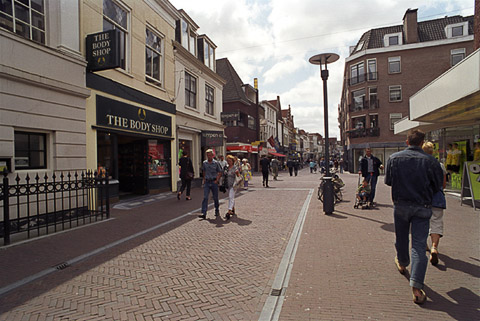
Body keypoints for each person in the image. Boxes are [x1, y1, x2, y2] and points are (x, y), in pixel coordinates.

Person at [385, 129, 443, 305]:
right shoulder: (431, 161)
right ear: (421, 143)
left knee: (401, 238)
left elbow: (388, 181)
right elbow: (438, 185)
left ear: (407, 141)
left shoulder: (394, 159)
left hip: (401, 205)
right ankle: (417, 288)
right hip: (422, 206)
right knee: (418, 246)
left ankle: (402, 263)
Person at [422, 142, 447, 266]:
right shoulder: (440, 165)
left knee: (423, 222)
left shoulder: (420, 164)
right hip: (437, 198)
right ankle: (434, 247)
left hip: (423, 198)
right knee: (436, 222)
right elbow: (443, 184)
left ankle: (425, 244)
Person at [199, 149, 223, 219]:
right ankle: (204, 212)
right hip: (207, 182)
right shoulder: (204, 163)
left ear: (212, 155)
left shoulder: (216, 163)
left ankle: (217, 210)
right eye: (207, 155)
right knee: (205, 197)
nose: (209, 156)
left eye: (210, 155)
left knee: (215, 198)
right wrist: (204, 179)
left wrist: (217, 180)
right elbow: (204, 171)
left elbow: (220, 172)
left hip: (213, 182)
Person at [224, 155, 240, 219]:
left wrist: (237, 173)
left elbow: (238, 175)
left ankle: (229, 211)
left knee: (231, 197)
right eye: (227, 161)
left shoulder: (235, 167)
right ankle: (233, 209)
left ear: (233, 161)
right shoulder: (226, 167)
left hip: (233, 185)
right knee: (231, 197)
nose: (228, 162)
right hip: (228, 184)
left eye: (230, 161)